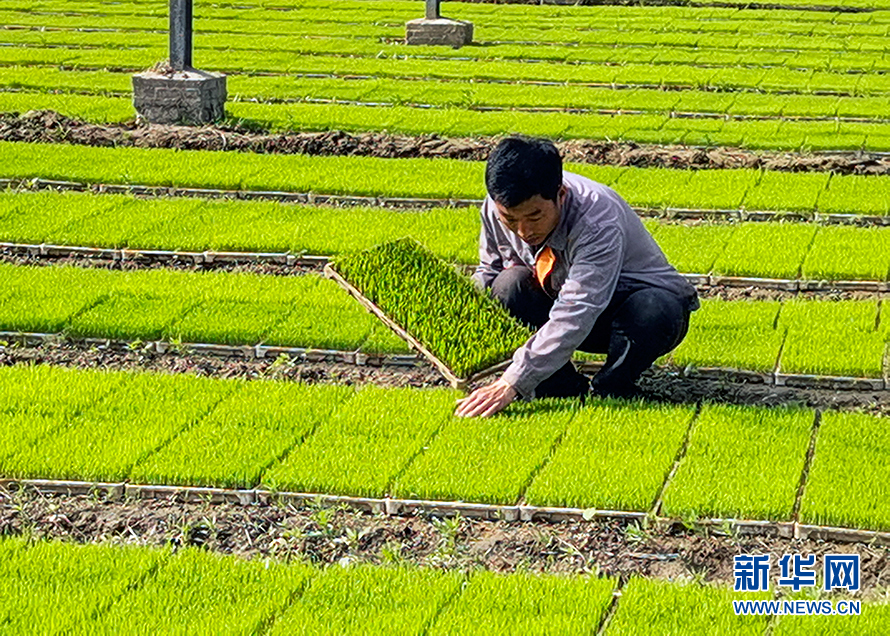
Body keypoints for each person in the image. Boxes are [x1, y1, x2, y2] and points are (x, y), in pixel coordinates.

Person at [454, 136, 699, 418]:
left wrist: (512, 381)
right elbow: (489, 271)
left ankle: (613, 384)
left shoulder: (597, 220)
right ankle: (559, 385)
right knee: (508, 286)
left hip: (624, 315)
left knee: (654, 309)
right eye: (510, 220)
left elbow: (579, 309)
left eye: (534, 217)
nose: (523, 231)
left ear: (560, 195)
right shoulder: (496, 207)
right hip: (559, 302)